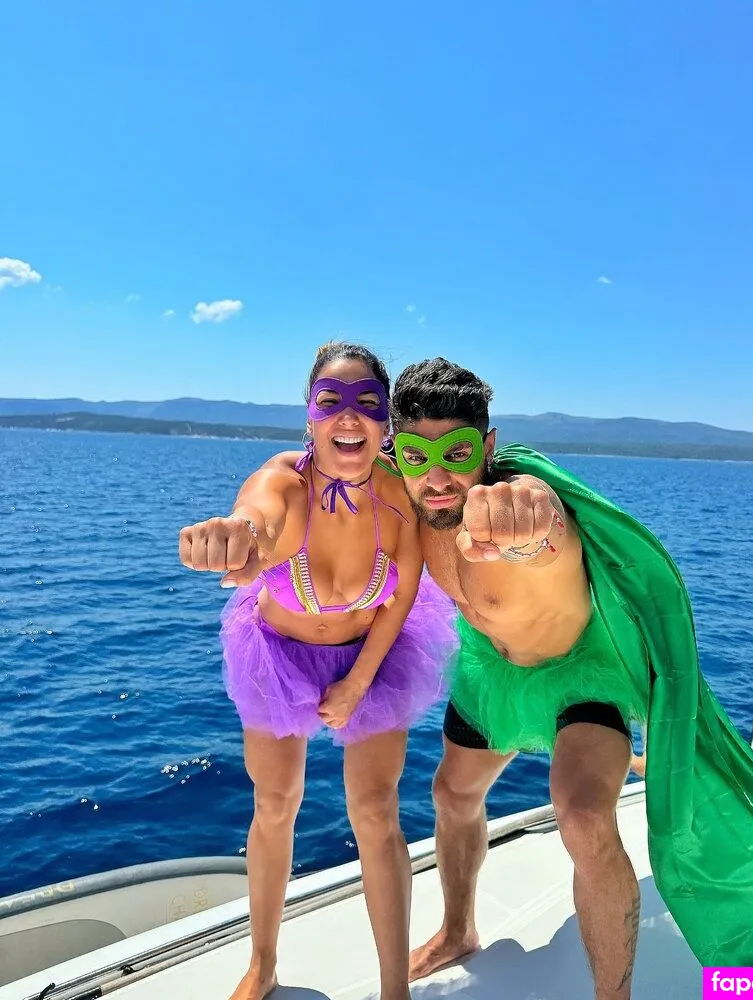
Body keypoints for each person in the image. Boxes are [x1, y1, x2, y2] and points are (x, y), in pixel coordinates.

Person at [388, 357, 753, 997]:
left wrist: (525, 530)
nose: (438, 475)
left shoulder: (518, 497)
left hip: (581, 675)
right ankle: (457, 930)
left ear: (489, 446)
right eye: (417, 456)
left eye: (457, 452)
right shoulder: (404, 504)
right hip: (492, 670)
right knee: (451, 796)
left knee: (583, 815)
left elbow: (540, 525)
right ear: (395, 453)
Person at [178, 342, 456, 1000]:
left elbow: (403, 599)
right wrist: (233, 538)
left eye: (367, 402)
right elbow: (256, 516)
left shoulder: (402, 499)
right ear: (310, 418)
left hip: (373, 654)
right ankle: (263, 964)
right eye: (331, 402)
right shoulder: (284, 483)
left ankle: (395, 990)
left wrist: (358, 682)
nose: (348, 416)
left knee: (376, 810)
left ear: (386, 421)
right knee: (274, 805)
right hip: (277, 652)